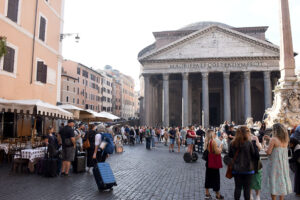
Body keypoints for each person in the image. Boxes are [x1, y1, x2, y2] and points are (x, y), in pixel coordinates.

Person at [228, 126, 258, 200]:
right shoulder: (249, 143)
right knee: (247, 189)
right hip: (248, 169)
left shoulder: (232, 143)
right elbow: (254, 155)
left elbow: (230, 155)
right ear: (246, 133)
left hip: (236, 169)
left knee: (237, 188)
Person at [265, 123, 292, 200]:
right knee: (282, 182)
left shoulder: (273, 139)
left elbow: (269, 152)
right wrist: (269, 139)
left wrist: (264, 149)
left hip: (274, 164)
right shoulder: (286, 140)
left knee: (274, 182)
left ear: (275, 130)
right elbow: (279, 146)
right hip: (283, 165)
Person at [204, 129, 224, 200]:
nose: (215, 134)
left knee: (208, 178)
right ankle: (217, 195)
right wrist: (221, 146)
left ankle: (207, 194)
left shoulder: (206, 141)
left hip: (208, 163)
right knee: (216, 179)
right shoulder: (213, 142)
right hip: (214, 163)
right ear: (212, 134)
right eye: (214, 133)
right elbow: (217, 152)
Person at [250, 134, 263, 200]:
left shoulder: (253, 137)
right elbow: (260, 148)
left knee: (252, 178)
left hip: (251, 161)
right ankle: (256, 195)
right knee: (256, 178)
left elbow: (260, 148)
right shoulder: (254, 137)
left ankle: (253, 195)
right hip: (255, 161)